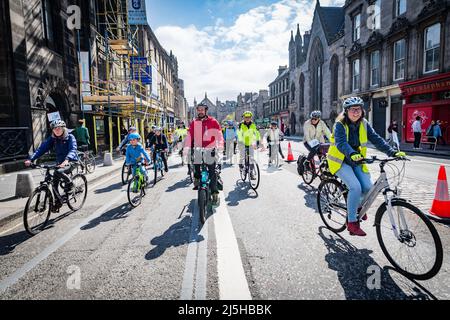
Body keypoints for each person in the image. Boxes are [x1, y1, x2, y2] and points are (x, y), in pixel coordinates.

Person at [327, 97, 406, 237]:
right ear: (346, 111)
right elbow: (340, 143)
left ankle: (356, 205)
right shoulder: (339, 124)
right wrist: (351, 153)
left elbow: (376, 139)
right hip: (339, 161)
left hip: (356, 160)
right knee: (355, 187)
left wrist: (392, 152)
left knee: (368, 188)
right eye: (352, 109)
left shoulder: (364, 123)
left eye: (358, 109)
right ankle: (351, 222)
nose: (356, 112)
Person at [25, 120, 79, 212]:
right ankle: (58, 202)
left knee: (58, 172)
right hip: (59, 163)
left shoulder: (70, 137)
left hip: (71, 161)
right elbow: (42, 149)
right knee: (54, 183)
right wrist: (31, 159)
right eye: (55, 129)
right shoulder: (53, 139)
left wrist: (67, 160)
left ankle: (70, 184)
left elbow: (73, 149)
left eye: (59, 128)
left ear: (63, 129)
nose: (57, 130)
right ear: (52, 130)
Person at [184, 102, 224, 206]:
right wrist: (187, 147)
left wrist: (220, 145)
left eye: (202, 109)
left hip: (210, 149)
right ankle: (197, 178)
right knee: (196, 167)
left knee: (212, 172)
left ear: (206, 110)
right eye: (199, 110)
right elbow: (189, 136)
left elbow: (219, 135)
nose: (200, 111)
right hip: (198, 149)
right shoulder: (194, 122)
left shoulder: (213, 121)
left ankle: (215, 193)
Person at [237, 111, 261, 180]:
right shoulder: (241, 124)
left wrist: (257, 141)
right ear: (244, 118)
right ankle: (241, 166)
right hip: (243, 143)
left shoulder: (253, 124)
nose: (247, 119)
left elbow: (256, 133)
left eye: (249, 117)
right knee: (242, 156)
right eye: (246, 117)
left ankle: (251, 173)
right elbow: (239, 134)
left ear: (251, 118)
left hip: (250, 143)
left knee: (251, 158)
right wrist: (240, 141)